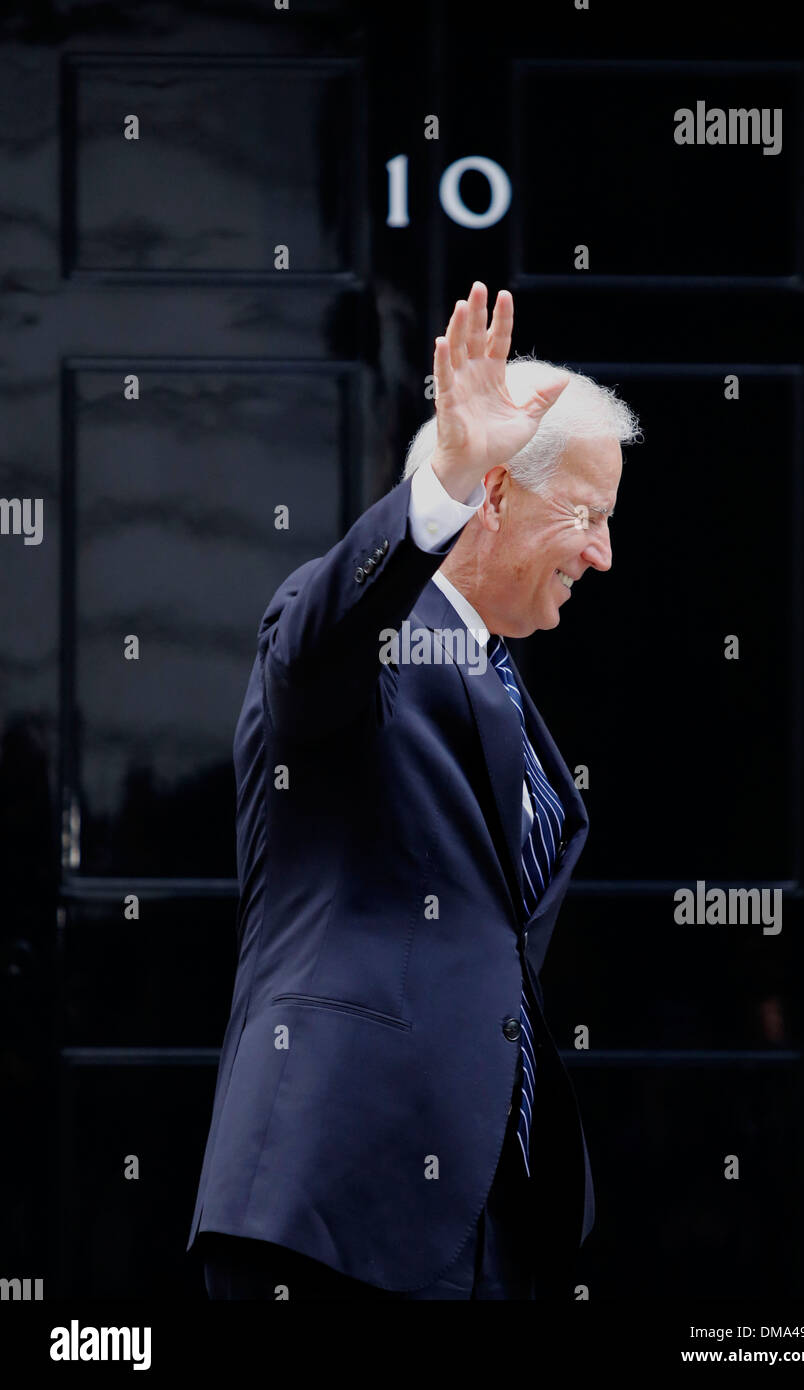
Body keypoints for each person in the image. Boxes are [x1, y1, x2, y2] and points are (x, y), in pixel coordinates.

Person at [187, 282, 640, 1300]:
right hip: (329, 1214)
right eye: (585, 513)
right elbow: (320, 638)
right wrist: (438, 478)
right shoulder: (365, 638)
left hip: (476, 1233)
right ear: (490, 492)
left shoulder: (504, 684)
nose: (601, 554)